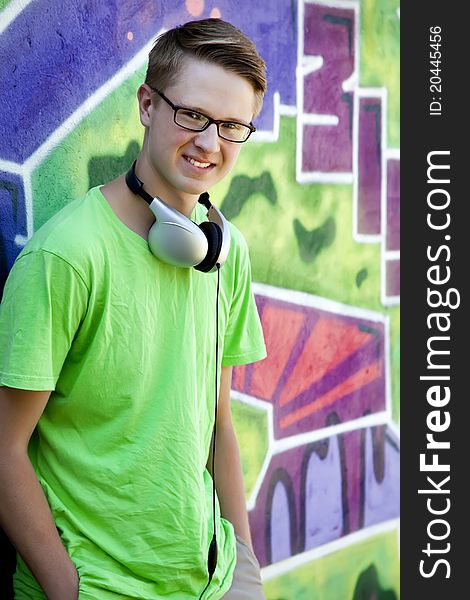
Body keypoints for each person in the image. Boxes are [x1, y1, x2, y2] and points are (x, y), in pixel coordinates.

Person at [0, 18, 267, 599]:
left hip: (211, 584)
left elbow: (218, 420)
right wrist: (66, 589)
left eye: (230, 126)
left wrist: (243, 565)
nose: (208, 142)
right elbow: (3, 448)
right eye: (192, 115)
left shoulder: (226, 253)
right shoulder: (67, 256)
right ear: (147, 104)